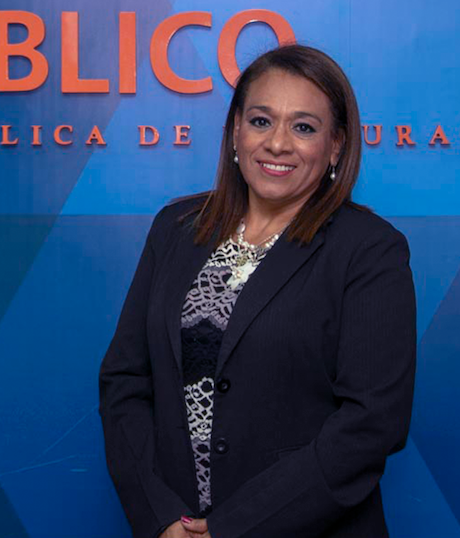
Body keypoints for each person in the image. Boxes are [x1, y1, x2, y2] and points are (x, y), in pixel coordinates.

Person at [99, 44, 416, 538]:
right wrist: (160, 517)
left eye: (304, 127)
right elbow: (125, 381)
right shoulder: (176, 228)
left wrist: (231, 528)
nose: (277, 144)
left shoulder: (369, 250)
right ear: (235, 132)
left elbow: (372, 423)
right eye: (261, 121)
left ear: (335, 146)